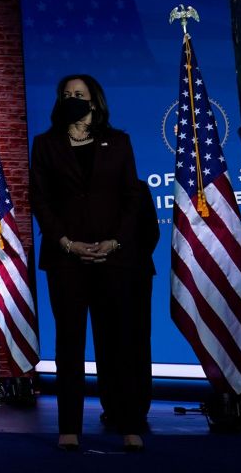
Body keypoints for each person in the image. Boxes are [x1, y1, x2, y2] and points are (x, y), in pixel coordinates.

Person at [30, 74, 145, 452]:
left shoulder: (120, 142)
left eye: (79, 94)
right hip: (67, 260)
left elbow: (132, 198)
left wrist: (113, 242)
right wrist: (66, 242)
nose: (72, 99)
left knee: (119, 345)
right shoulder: (46, 144)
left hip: (113, 259)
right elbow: (41, 200)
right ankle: (69, 428)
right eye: (66, 94)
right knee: (70, 345)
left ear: (94, 102)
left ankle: (129, 425)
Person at [96, 179, 159, 430]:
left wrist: (124, 257)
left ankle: (137, 405)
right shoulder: (90, 189)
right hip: (101, 274)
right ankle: (113, 405)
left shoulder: (138, 188)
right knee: (107, 341)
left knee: (136, 341)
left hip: (135, 275)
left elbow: (151, 232)